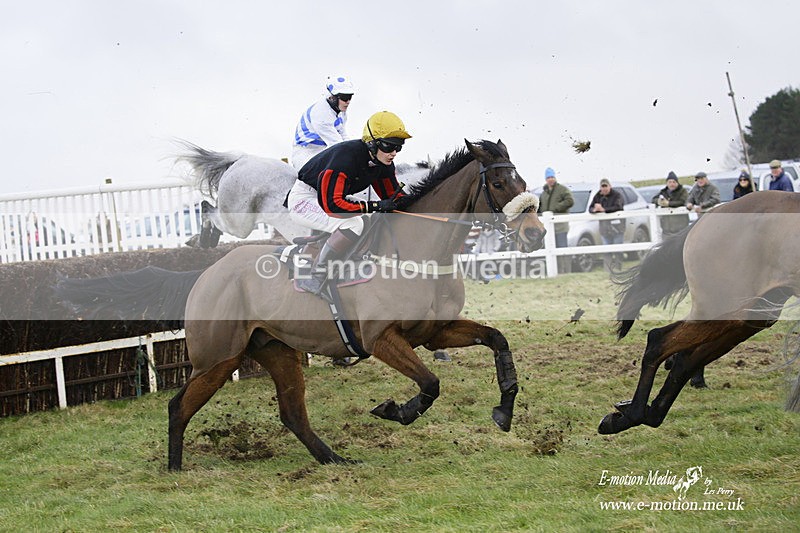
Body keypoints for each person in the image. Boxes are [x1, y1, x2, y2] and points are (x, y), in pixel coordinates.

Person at [287, 110, 411, 294]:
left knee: (369, 217)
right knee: (354, 224)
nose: (393, 153)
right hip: (305, 199)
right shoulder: (345, 158)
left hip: (327, 197)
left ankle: (352, 261)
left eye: (398, 147)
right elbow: (332, 205)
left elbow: (394, 198)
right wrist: (376, 206)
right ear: (372, 143)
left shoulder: (382, 162)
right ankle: (317, 275)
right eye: (388, 146)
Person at [290, 75, 355, 171]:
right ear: (332, 97)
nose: (348, 102)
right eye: (345, 97)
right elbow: (336, 144)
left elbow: (343, 135)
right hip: (305, 152)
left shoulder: (341, 112)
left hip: (323, 149)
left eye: (350, 97)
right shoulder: (321, 114)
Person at [537, 167, 574, 273]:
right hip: (549, 228)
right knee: (551, 249)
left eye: (552, 177)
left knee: (562, 249)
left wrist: (556, 208)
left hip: (560, 226)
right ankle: (557, 271)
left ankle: (566, 271)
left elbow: (570, 201)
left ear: (555, 177)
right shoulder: (544, 193)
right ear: (546, 179)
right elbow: (540, 207)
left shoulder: (562, 189)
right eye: (548, 177)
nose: (550, 179)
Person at [589, 178, 625, 270]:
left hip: (617, 227)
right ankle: (607, 270)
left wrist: (604, 210)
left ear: (610, 186)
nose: (604, 188)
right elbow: (591, 208)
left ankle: (618, 269)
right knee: (606, 250)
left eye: (606, 186)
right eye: (602, 186)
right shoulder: (597, 196)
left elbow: (618, 206)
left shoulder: (617, 195)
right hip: (604, 228)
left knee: (617, 250)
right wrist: (595, 210)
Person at [651, 171, 689, 236]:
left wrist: (668, 203)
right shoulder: (663, 192)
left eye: (674, 182)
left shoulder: (683, 191)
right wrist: (659, 202)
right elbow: (653, 199)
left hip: (681, 227)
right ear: (667, 183)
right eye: (670, 182)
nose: (672, 184)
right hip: (666, 229)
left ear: (677, 183)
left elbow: (682, 201)